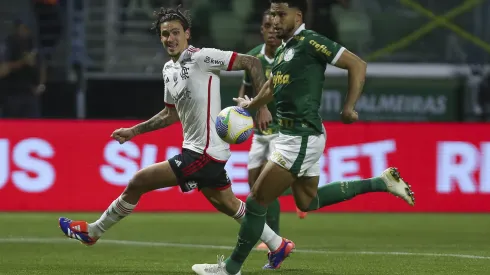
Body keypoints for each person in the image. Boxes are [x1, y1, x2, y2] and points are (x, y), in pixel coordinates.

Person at [57, 5, 295, 269]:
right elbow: (169, 115)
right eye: (164, 34)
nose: (170, 38)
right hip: (204, 152)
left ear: (187, 34)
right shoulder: (168, 70)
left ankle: (93, 232)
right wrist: (133, 131)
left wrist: (260, 105)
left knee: (138, 181)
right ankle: (278, 245)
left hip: (202, 153)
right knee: (229, 205)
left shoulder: (203, 57)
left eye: (175, 32)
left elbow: (251, 62)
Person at [191, 1, 415, 274]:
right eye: (272, 14)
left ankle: (231, 268)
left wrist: (349, 107)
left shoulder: (311, 42)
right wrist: (249, 108)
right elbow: (273, 86)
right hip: (296, 135)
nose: (274, 19)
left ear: (298, 16)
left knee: (255, 201)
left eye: (281, 14)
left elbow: (357, 64)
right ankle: (380, 182)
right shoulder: (287, 48)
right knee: (308, 202)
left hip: (300, 136)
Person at [237, 9, 307, 252]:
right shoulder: (253, 57)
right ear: (262, 30)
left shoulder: (288, 56)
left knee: (267, 186)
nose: (272, 32)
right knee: (253, 184)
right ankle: (297, 188)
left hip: (283, 128)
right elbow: (246, 87)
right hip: (260, 132)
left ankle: (273, 240)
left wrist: (265, 106)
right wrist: (240, 108)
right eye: (267, 27)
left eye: (276, 28)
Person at [2, 19, 46, 118]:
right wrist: (22, 62)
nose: (25, 31)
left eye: (27, 28)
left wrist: (41, 86)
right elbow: (2, 70)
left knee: (33, 130)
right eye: (22, 28)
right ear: (16, 28)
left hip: (31, 95)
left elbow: (42, 66)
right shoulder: (9, 43)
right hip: (12, 95)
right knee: (11, 130)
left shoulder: (33, 43)